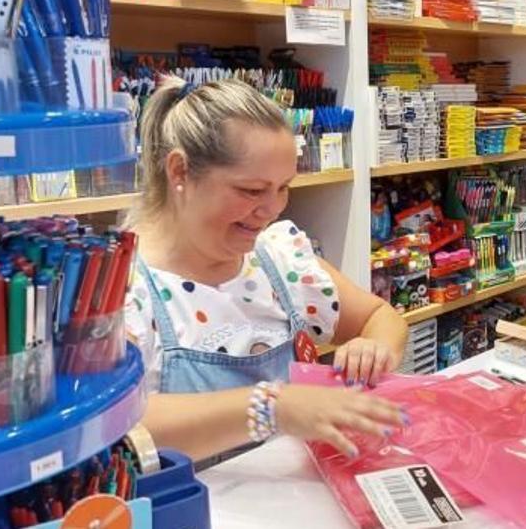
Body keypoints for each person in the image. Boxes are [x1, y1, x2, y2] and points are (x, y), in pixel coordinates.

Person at [124, 78, 409, 462]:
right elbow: (119, 424)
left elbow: (381, 317)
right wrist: (272, 408)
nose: (273, 208)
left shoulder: (278, 261)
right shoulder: (125, 288)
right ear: (179, 172)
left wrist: (373, 348)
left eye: (284, 187)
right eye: (252, 190)